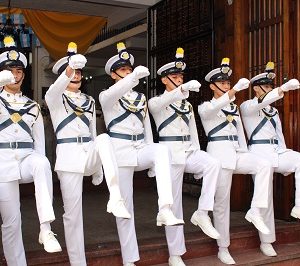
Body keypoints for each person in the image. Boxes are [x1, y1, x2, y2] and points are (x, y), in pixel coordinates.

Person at [45, 42, 131, 266]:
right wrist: (68, 71)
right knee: (73, 216)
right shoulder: (55, 99)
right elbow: (54, 89)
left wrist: (99, 168)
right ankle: (78, 262)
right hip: (68, 157)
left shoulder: (90, 100)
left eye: (79, 71)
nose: (77, 75)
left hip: (89, 152)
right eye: (73, 72)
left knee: (103, 137)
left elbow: (94, 130)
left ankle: (115, 196)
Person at [99, 42, 184, 266]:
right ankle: (129, 258)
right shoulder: (107, 96)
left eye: (129, 70)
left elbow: (146, 126)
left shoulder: (140, 99)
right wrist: (133, 78)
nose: (128, 73)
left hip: (139, 148)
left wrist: (154, 159)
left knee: (162, 149)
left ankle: (165, 208)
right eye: (124, 70)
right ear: (114, 75)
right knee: (125, 206)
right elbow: (116, 91)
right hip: (120, 152)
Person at [148, 48, 221, 266]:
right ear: (164, 80)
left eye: (181, 77)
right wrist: (180, 91)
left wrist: (198, 154)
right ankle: (175, 254)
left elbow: (192, 132)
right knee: (173, 206)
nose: (180, 80)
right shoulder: (156, 102)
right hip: (169, 156)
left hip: (188, 152)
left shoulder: (187, 105)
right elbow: (163, 103)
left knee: (212, 163)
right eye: (175, 77)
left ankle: (202, 212)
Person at [198, 58, 273, 264]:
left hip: (237, 152)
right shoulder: (205, 107)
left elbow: (240, 133)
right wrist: (232, 94)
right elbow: (214, 109)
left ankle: (255, 210)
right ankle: (223, 247)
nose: (227, 86)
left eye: (228, 84)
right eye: (222, 84)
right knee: (222, 203)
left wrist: (245, 150)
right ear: (212, 86)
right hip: (219, 154)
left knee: (263, 165)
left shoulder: (233, 108)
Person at [0, 36, 62, 264]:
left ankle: (45, 228)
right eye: (9, 71)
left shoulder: (32, 106)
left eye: (18, 71)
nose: (15, 75)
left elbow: (39, 145)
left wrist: (41, 173)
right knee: (11, 221)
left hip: (27, 158)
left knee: (42, 162)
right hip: (2, 163)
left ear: (24, 75)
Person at [240, 62, 300, 257]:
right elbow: (262, 102)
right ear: (256, 88)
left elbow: (279, 135)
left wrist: (284, 154)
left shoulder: (273, 111)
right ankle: (266, 241)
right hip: (258, 153)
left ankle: (298, 206)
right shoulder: (247, 106)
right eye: (266, 87)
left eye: (271, 87)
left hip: (276, 151)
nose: (269, 90)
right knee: (264, 199)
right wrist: (282, 89)